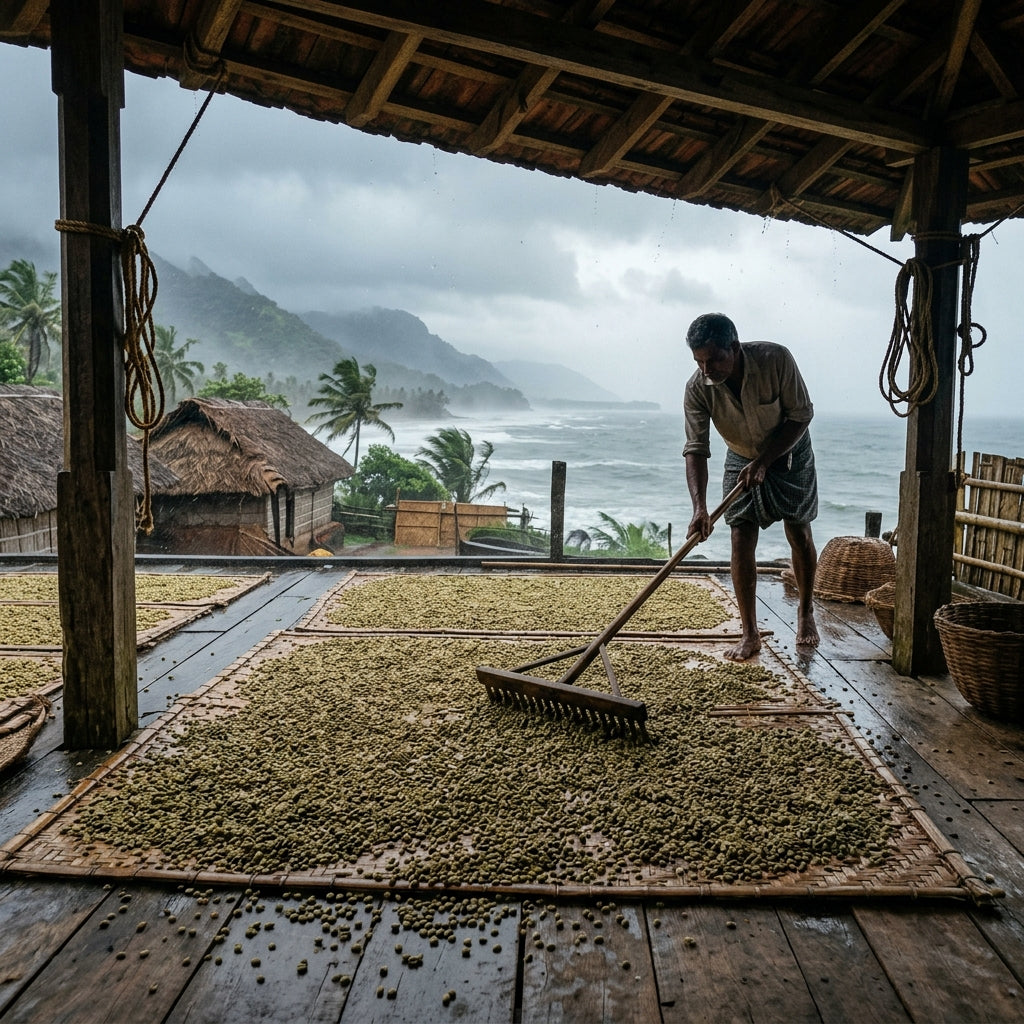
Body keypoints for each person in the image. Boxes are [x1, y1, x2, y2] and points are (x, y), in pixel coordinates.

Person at [682, 313, 820, 660]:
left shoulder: (776, 360)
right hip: (741, 454)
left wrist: (766, 461)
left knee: (799, 531)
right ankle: (750, 633)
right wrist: (699, 507)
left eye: (713, 359)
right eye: (699, 361)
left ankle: (805, 611)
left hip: (790, 448)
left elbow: (801, 415)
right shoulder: (698, 388)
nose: (706, 369)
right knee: (740, 535)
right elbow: (696, 449)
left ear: (735, 346)